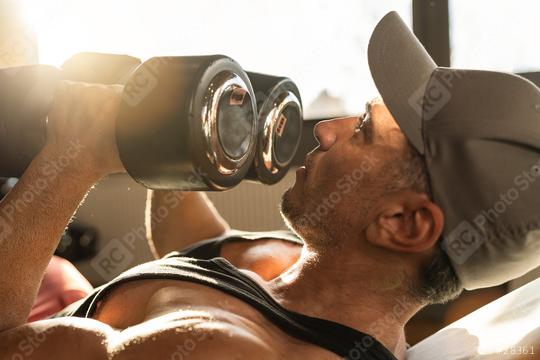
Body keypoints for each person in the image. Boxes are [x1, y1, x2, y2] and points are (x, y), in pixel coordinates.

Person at [1, 12, 539, 360]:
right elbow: (188, 243)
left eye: (363, 131)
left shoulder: (221, 349)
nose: (327, 130)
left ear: (403, 222)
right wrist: (179, 142)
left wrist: (72, 160)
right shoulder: (302, 271)